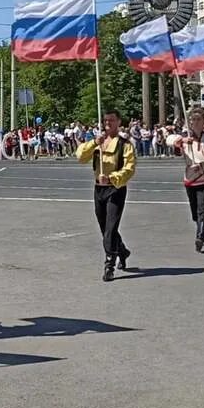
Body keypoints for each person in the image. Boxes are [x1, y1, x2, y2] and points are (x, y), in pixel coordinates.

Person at [76, 109, 136, 282]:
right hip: (98, 189)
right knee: (104, 228)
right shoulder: (98, 142)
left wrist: (111, 177)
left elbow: (129, 168)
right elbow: (80, 157)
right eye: (105, 121)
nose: (108, 124)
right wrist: (94, 143)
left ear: (118, 122)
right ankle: (122, 251)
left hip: (115, 189)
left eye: (111, 120)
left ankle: (109, 263)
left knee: (110, 228)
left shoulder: (125, 144)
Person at [169, 108, 204, 252]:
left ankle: (200, 235)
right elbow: (170, 141)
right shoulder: (185, 137)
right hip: (190, 177)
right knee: (195, 210)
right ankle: (203, 226)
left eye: (198, 119)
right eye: (193, 120)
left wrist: (203, 164)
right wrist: (182, 140)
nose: (195, 122)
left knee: (202, 207)